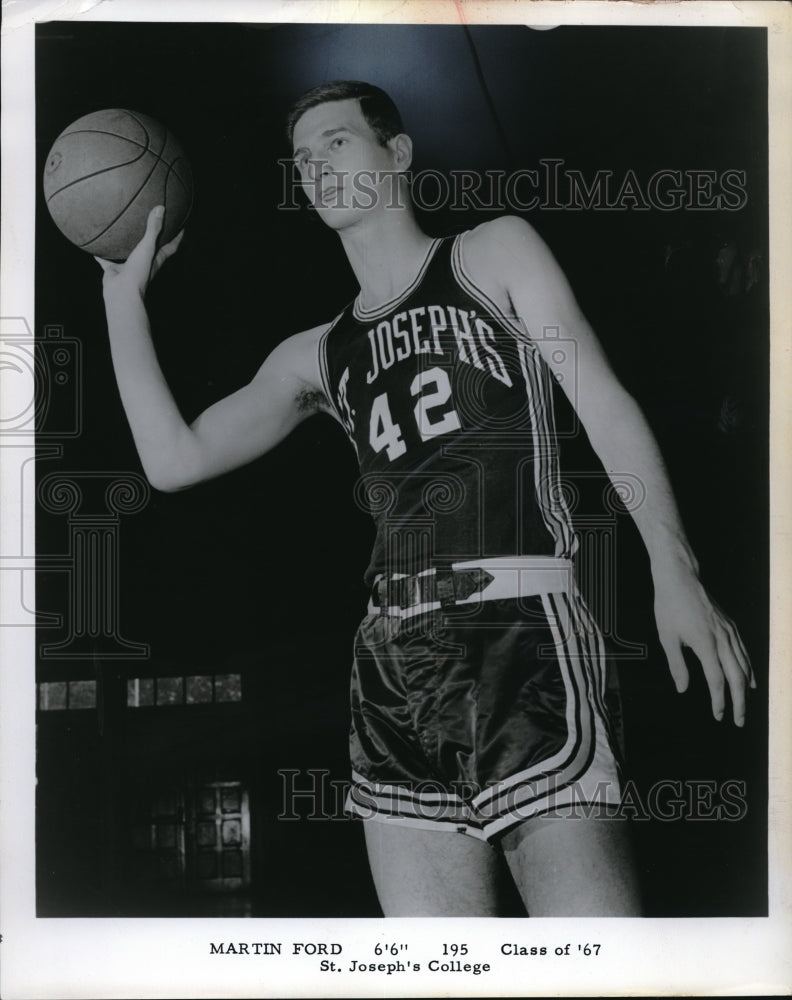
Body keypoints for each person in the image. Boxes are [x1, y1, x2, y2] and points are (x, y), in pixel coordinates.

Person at [97, 80, 754, 917]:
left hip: (518, 633)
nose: (316, 167)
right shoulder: (317, 353)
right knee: (431, 972)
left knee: (595, 960)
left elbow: (603, 403)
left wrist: (674, 566)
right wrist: (123, 304)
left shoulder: (493, 253)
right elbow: (171, 459)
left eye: (336, 143)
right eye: (302, 159)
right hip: (389, 660)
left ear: (397, 154)